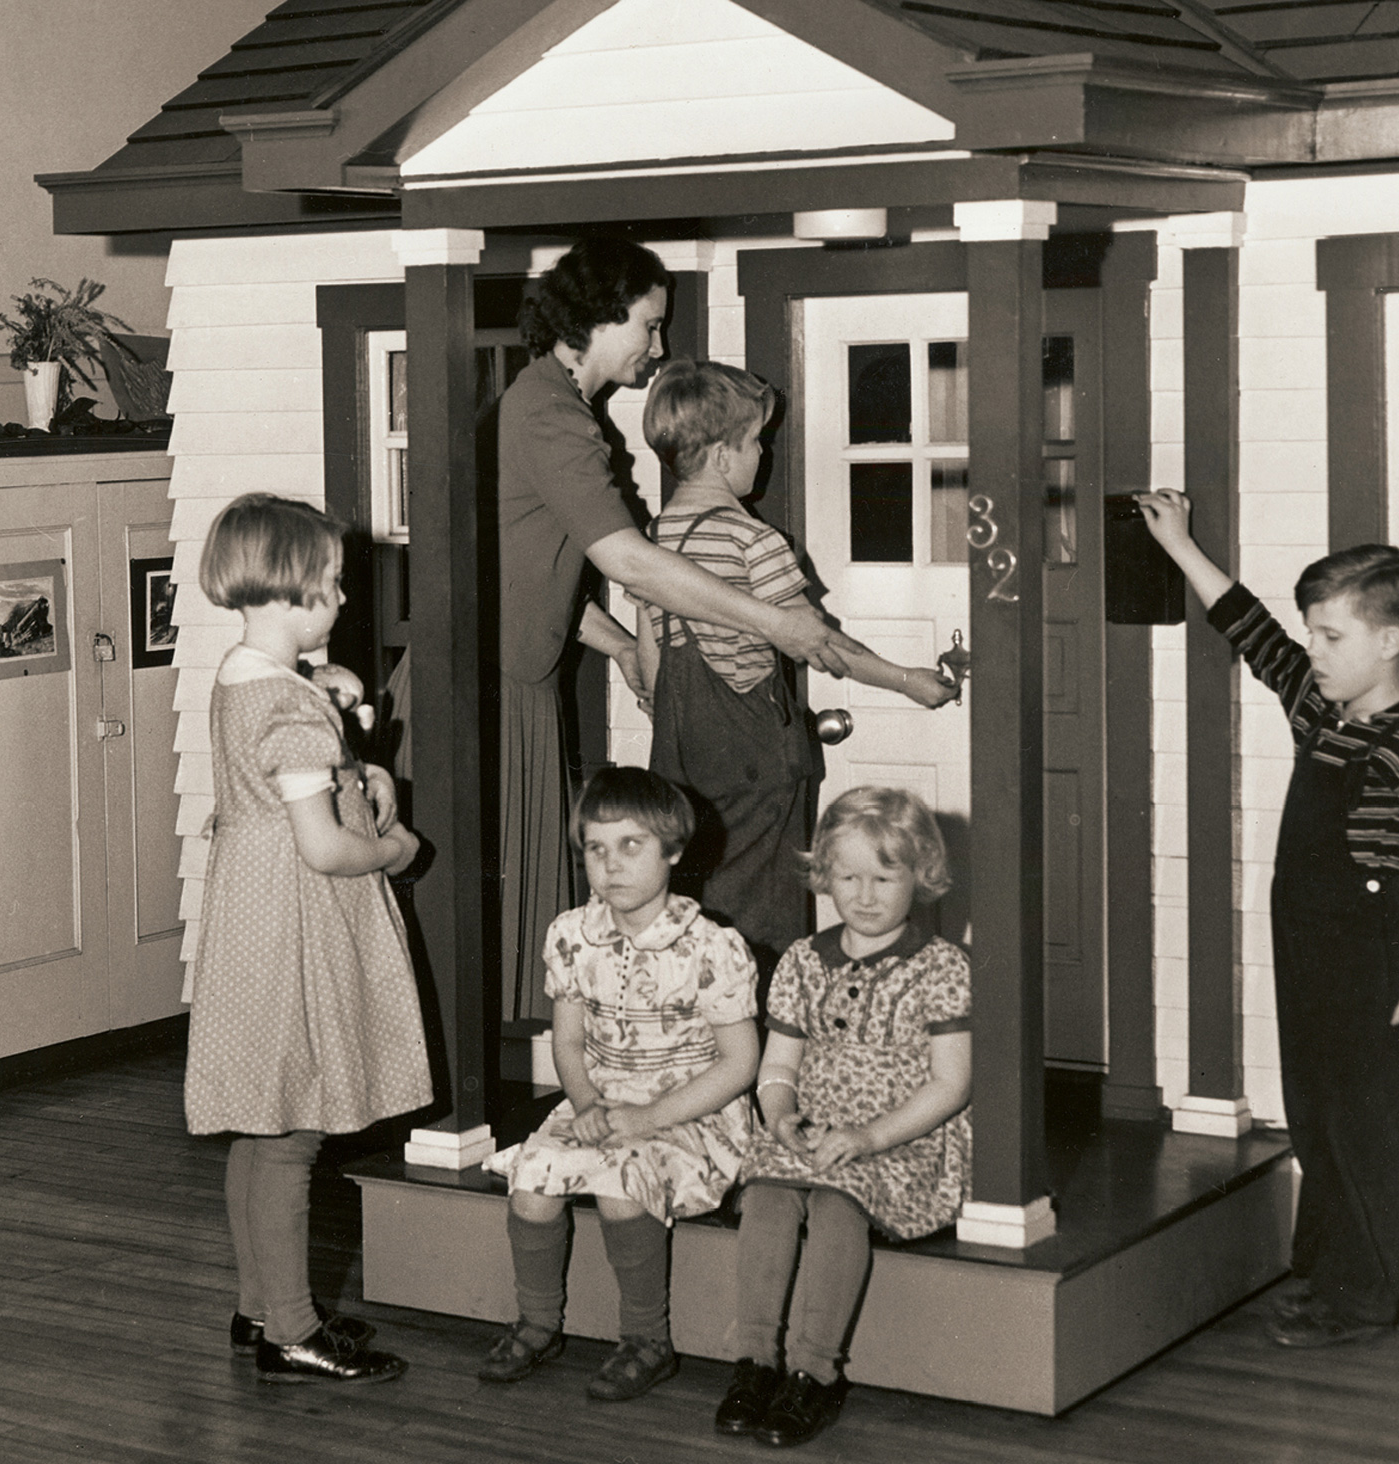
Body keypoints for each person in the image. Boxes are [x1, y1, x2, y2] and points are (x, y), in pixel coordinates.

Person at [1136, 487, 1399, 1348]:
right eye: (1314, 634)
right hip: (1313, 954)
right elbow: (1248, 630)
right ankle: (1323, 1276)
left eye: (1332, 637)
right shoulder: (1322, 712)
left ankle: (1362, 1302)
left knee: (1369, 1131)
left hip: (1385, 964)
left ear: (1389, 641)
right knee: (1319, 1118)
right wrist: (1178, 544)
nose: (1313, 652)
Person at [493, 238, 860, 1022]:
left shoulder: (561, 409)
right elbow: (626, 560)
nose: (658, 349)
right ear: (597, 317)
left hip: (524, 677)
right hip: (493, 686)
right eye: (649, 327)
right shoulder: (547, 414)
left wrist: (622, 646)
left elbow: (528, 574)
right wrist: (775, 624)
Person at [185, 493, 433, 1384]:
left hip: (252, 909)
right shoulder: (291, 715)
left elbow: (286, 738)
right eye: (330, 587)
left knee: (261, 1123)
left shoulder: (244, 676)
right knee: (293, 1132)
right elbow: (327, 847)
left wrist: (347, 737)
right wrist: (396, 849)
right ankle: (292, 1329)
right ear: (290, 593)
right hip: (298, 916)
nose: (339, 600)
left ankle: (260, 1309)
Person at [637, 361, 958, 976]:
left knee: (692, 913)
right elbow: (819, 643)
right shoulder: (753, 540)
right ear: (724, 454)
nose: (763, 454)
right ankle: (764, 1059)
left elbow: (652, 654)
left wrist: (668, 719)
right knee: (762, 920)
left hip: (680, 753)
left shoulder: (654, 539)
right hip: (752, 753)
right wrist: (906, 680)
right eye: (757, 441)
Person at [479, 767, 762, 1401]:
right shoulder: (572, 937)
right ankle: (537, 1322)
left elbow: (739, 1065)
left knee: (620, 1185)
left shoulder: (711, 947)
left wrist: (645, 1119)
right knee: (532, 1180)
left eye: (631, 846)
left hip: (691, 1111)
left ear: (674, 850)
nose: (611, 866)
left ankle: (646, 1338)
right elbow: (570, 1042)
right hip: (599, 1103)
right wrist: (583, 1105)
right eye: (595, 849)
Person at [716, 787, 972, 1448]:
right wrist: (780, 1117)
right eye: (847, 876)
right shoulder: (803, 960)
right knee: (768, 1192)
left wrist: (868, 1137)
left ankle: (814, 1372)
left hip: (897, 1140)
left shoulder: (941, 967)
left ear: (920, 878)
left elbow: (951, 1083)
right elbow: (778, 1067)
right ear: (824, 876)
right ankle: (753, 1363)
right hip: (814, 1128)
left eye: (884, 877)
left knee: (835, 1203)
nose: (863, 894)